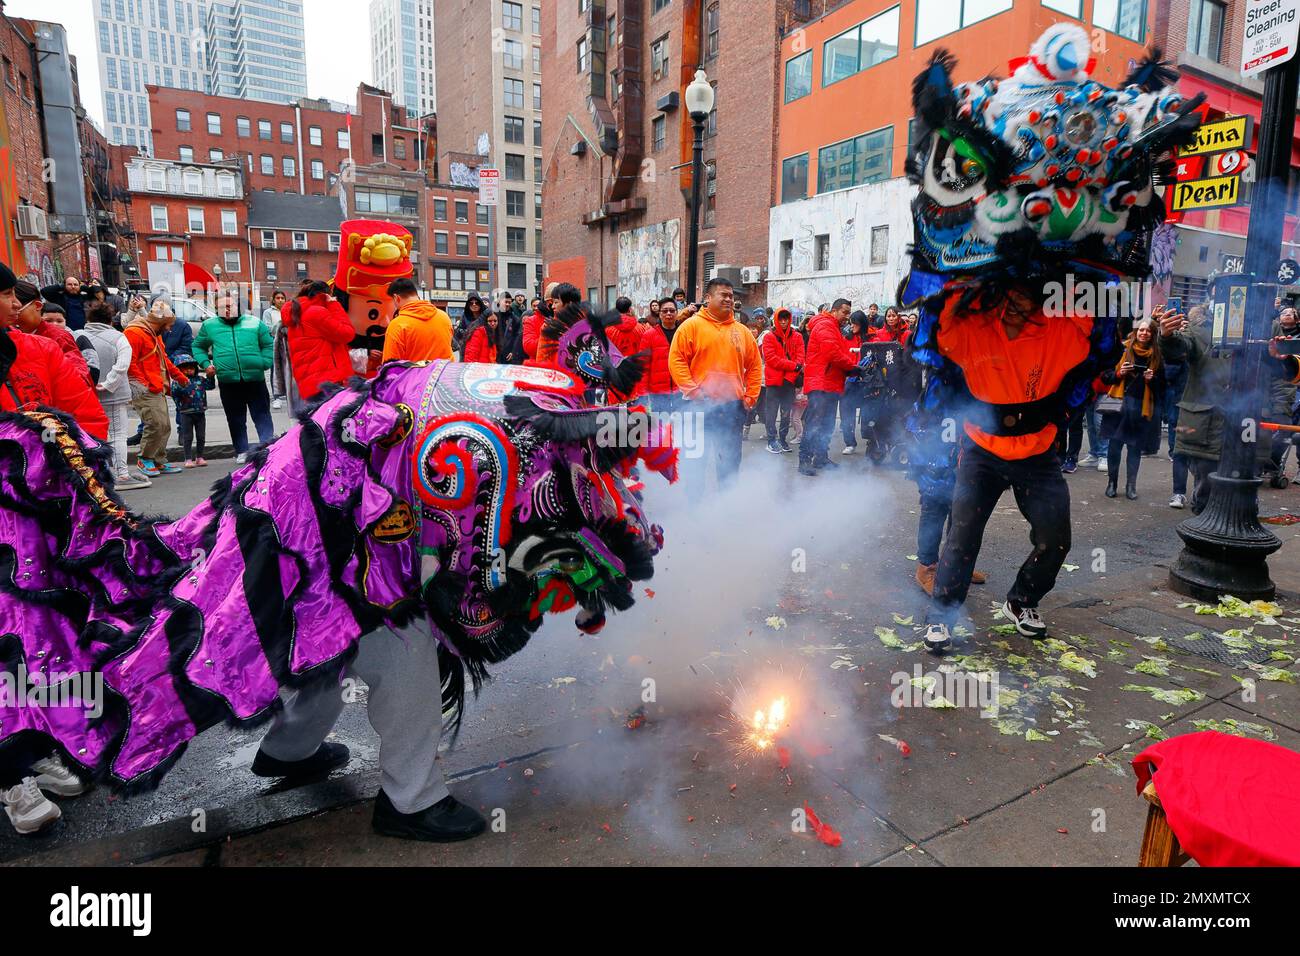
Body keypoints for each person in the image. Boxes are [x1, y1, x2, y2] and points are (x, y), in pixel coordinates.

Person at [1158, 304, 1299, 513]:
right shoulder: (1200, 326)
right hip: (1208, 420)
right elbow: (1179, 348)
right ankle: (1202, 520)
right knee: (1205, 485)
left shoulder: (1268, 327)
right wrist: (1166, 335)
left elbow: (1282, 373)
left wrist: (1281, 407)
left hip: (1249, 420)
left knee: (1245, 489)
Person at [667, 277, 761, 490]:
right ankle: (695, 508)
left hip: (732, 407)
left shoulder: (742, 331)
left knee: (729, 461)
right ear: (708, 298)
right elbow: (677, 360)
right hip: (697, 406)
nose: (729, 299)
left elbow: (755, 366)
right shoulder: (690, 327)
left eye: (731, 296)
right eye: (724, 295)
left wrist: (750, 397)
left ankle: (725, 506)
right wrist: (693, 392)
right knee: (695, 462)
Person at [0, 263, 108, 440]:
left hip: (41, 458)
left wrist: (81, 458)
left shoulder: (47, 344)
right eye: (7, 294)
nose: (16, 304)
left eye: (59, 320)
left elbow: (84, 406)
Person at [193, 290, 276, 463]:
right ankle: (242, 451)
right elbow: (198, 347)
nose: (227, 309)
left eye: (230, 305)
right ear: (216, 309)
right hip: (228, 382)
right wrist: (206, 364)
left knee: (262, 415)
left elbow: (268, 344)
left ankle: (268, 448)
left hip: (255, 380)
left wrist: (265, 362)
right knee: (235, 418)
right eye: (222, 307)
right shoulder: (210, 326)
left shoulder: (254, 323)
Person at [81, 300, 149, 489]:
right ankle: (121, 474)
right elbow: (122, 365)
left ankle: (100, 472)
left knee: (93, 433)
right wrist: (109, 384)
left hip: (86, 391)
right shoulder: (118, 337)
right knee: (118, 433)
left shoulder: (79, 335)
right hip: (113, 393)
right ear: (110, 319)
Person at [1098, 317, 1164, 500]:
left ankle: (1131, 486)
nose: (1144, 333)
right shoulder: (1122, 349)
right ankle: (1111, 483)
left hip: (1140, 408)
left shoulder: (1157, 356)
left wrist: (1153, 379)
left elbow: (1163, 386)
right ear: (1136, 332)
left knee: (1134, 448)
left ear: (1153, 334)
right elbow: (1105, 376)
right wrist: (1119, 373)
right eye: (1141, 330)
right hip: (1119, 405)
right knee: (1114, 447)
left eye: (1148, 331)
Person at [124, 295, 188, 475]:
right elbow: (130, 363)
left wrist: (179, 376)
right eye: (167, 324)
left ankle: (158, 459)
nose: (169, 329)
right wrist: (143, 385)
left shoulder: (153, 334)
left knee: (164, 425)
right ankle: (145, 459)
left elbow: (163, 359)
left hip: (156, 385)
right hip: (145, 388)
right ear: (159, 322)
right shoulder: (134, 333)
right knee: (155, 424)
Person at [798, 299, 858, 477]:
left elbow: (836, 354)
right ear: (834, 311)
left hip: (829, 383)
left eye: (849, 313)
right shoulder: (826, 325)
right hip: (821, 383)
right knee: (815, 424)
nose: (847, 317)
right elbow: (832, 353)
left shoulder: (831, 326)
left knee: (827, 424)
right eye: (844, 312)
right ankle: (805, 461)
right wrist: (852, 368)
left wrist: (849, 369)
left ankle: (820, 458)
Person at [284, 281, 355, 404]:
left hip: (310, 382)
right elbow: (347, 333)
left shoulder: (297, 312)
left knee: (318, 420)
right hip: (327, 382)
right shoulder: (316, 312)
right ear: (326, 294)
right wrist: (334, 304)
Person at [11, 282, 92, 382]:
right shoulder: (10, 335)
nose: (12, 314)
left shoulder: (57, 337)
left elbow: (79, 377)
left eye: (17, 310)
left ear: (37, 306)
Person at [761, 307, 803, 454]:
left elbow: (800, 359)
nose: (784, 322)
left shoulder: (797, 337)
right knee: (771, 413)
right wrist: (792, 366)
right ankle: (771, 440)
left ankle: (783, 440)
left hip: (788, 383)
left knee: (786, 414)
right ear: (776, 320)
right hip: (774, 383)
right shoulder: (768, 337)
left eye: (786, 319)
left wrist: (789, 376)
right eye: (781, 319)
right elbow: (772, 360)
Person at [380, 278, 453, 363]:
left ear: (396, 298)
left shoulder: (397, 325)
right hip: (444, 374)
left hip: (415, 375)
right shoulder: (444, 317)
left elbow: (390, 367)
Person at [639, 296, 683, 414]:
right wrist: (642, 392)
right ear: (659, 314)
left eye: (672, 310)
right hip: (658, 392)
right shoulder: (649, 335)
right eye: (665, 311)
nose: (669, 313)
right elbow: (643, 365)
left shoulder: (684, 333)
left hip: (681, 390)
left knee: (681, 426)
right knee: (660, 427)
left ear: (677, 313)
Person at [170, 353, 215, 467]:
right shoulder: (177, 382)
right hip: (186, 412)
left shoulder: (200, 379)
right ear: (179, 369)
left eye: (191, 367)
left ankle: (199, 457)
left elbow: (210, 386)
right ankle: (188, 458)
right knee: (187, 436)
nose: (189, 370)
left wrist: (211, 376)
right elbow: (174, 394)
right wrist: (180, 405)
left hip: (200, 412)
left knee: (201, 436)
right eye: (185, 368)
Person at [839, 310, 871, 454]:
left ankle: (872, 440)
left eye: (854, 323)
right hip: (849, 380)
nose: (851, 326)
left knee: (869, 411)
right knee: (846, 412)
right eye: (850, 323)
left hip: (866, 380)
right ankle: (850, 442)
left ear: (861, 323)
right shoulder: (846, 338)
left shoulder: (871, 338)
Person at [263, 290, 288, 408]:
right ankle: (276, 397)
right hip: (275, 343)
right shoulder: (268, 312)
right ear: (273, 299)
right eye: (278, 298)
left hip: (288, 343)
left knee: (288, 370)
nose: (280, 300)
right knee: (275, 370)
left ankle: (289, 395)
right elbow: (267, 328)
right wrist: (279, 324)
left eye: (282, 298)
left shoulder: (288, 310)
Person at [456, 292, 490, 358]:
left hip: (483, 347)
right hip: (468, 347)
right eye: (471, 302)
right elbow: (459, 330)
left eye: (476, 302)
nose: (474, 304)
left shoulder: (486, 312)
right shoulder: (465, 314)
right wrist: (464, 332)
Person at [522, 285, 552, 360]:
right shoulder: (531, 321)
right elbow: (529, 347)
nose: (554, 306)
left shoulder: (565, 318)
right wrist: (551, 337)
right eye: (553, 302)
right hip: (540, 366)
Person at [496, 292, 526, 365]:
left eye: (509, 302)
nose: (507, 304)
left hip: (507, 355)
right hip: (494, 353)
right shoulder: (493, 316)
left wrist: (513, 351)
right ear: (499, 301)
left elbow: (517, 336)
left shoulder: (514, 318)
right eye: (505, 302)